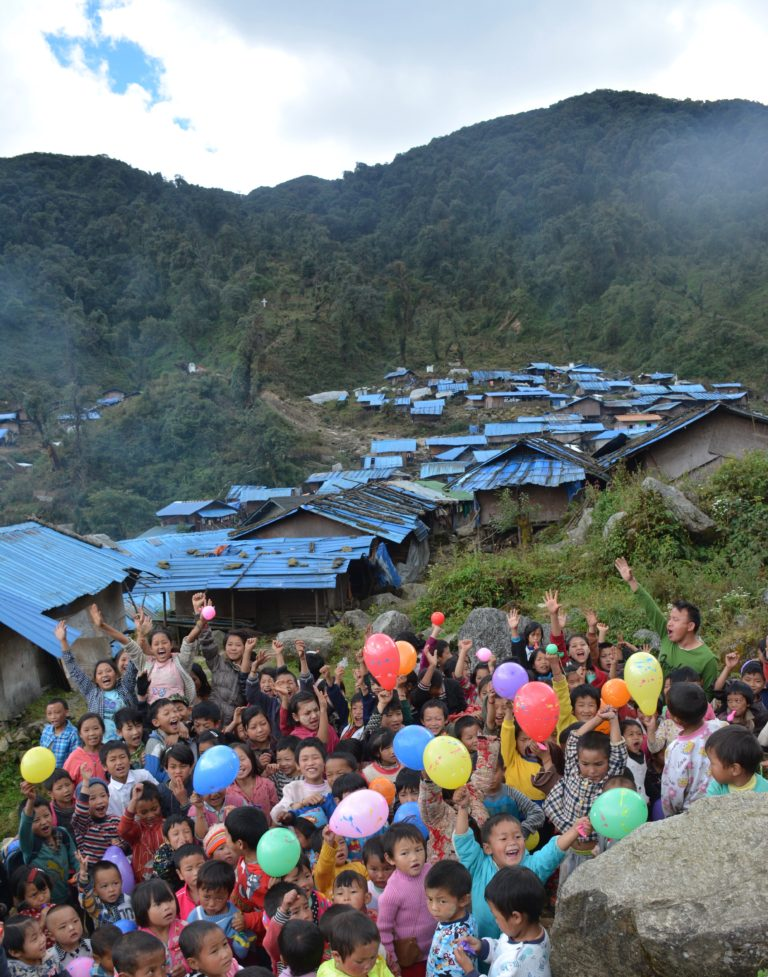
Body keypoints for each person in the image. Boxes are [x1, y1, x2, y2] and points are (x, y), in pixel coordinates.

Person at [453, 799, 590, 940]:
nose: (512, 842)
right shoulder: (479, 866)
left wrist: (575, 831)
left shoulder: (529, 869)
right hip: (481, 946)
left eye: (517, 836)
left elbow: (552, 852)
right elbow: (464, 842)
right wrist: (463, 808)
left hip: (519, 952)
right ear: (487, 848)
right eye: (503, 839)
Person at [614, 557, 719, 692]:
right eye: (669, 618)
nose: (669, 623)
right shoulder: (666, 635)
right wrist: (631, 581)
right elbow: (651, 608)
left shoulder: (707, 659)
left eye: (675, 620)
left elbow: (708, 696)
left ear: (690, 626)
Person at [455, 867, 550, 977]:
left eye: (496, 916)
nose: (496, 921)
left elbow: (509, 960)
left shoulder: (517, 964)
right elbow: (504, 948)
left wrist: (470, 971)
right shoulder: (529, 931)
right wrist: (482, 947)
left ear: (516, 917)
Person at [55, 618, 136, 740]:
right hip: (101, 745)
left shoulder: (125, 687)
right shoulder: (91, 692)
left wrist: (140, 633)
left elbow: (135, 660)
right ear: (96, 680)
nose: (105, 675)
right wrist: (63, 641)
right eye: (100, 673)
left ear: (117, 675)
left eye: (109, 671)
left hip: (126, 742)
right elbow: (73, 669)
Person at [377, 824, 436, 977]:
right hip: (411, 959)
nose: (414, 857)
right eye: (405, 853)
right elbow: (384, 930)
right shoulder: (392, 892)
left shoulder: (431, 872)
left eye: (418, 850)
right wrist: (393, 960)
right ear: (390, 858)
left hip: (437, 950)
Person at [184, 593, 247, 726]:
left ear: (246, 647)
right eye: (230, 645)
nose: (233, 648)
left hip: (234, 719)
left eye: (238, 645)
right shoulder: (218, 662)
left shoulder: (250, 670)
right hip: (212, 714)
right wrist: (200, 617)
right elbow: (207, 643)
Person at [661, 683, 725, 816]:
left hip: (692, 812)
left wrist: (669, 816)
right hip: (722, 801)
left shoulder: (675, 750)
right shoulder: (720, 727)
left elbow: (672, 791)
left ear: (676, 719)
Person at [18, 783, 79, 904]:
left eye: (46, 815)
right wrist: (30, 800)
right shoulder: (29, 845)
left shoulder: (62, 833)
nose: (44, 822)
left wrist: (79, 872)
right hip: (45, 904)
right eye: (36, 820)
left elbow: (74, 858)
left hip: (69, 896)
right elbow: (24, 829)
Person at [186, 861, 251, 959]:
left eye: (219, 898)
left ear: (229, 895)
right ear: (198, 890)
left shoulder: (235, 918)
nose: (211, 904)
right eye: (206, 897)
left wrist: (240, 934)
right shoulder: (194, 915)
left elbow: (242, 954)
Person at [424, 861, 476, 977]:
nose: (434, 908)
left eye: (442, 901)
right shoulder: (453, 918)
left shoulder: (457, 937)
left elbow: (454, 972)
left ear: (463, 900)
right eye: (430, 899)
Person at [225, 807, 270, 935]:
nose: (224, 838)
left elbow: (273, 911)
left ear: (240, 844)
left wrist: (248, 920)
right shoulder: (245, 857)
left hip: (263, 935)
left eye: (226, 834)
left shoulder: (266, 876)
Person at [132, 878, 186, 977]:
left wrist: (186, 968)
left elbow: (198, 955)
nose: (167, 907)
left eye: (170, 900)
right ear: (143, 911)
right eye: (158, 904)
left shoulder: (185, 929)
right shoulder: (139, 941)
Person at [318, 910, 394, 977]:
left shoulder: (377, 964)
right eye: (360, 961)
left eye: (373, 957)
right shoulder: (328, 974)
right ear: (337, 956)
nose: (368, 965)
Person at [119, 783, 166, 882]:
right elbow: (122, 830)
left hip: (167, 881)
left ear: (160, 805)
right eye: (144, 812)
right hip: (143, 883)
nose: (150, 815)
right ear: (136, 812)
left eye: (154, 809)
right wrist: (134, 801)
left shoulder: (168, 826)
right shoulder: (137, 829)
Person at [72, 771, 122, 865]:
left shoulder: (115, 820)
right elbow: (81, 810)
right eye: (92, 798)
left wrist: (119, 845)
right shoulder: (82, 824)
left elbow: (127, 844)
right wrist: (86, 782)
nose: (99, 801)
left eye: (103, 796)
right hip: (91, 871)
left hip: (114, 869)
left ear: (108, 796)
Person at [705, 725, 768, 794]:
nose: (709, 767)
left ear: (735, 769)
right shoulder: (716, 787)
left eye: (712, 763)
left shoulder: (765, 791)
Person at [103, 742, 157, 817]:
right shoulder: (108, 794)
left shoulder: (144, 775)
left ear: (130, 759)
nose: (119, 763)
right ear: (105, 766)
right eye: (113, 760)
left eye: (122, 757)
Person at [78, 858, 135, 925]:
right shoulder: (96, 907)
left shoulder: (130, 900)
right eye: (104, 886)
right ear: (95, 890)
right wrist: (83, 877)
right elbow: (85, 900)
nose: (111, 889)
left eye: (115, 883)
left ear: (122, 882)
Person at [63, 714, 107, 787]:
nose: (92, 733)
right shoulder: (74, 757)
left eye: (96, 728)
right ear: (80, 734)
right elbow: (66, 784)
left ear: (103, 730)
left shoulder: (110, 752)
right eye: (86, 730)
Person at [44, 904, 91, 970]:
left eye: (75, 921)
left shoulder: (93, 946)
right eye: (63, 927)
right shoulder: (50, 958)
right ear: (52, 936)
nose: (71, 928)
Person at [40, 699, 80, 767]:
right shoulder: (46, 730)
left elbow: (74, 760)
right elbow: (41, 751)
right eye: (49, 713)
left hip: (62, 774)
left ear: (66, 712)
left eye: (57, 712)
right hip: (45, 770)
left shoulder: (73, 734)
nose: (53, 717)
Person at [362, 838, 394, 912]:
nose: (380, 875)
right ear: (364, 865)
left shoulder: (401, 890)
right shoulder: (365, 890)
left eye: (387, 869)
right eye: (374, 869)